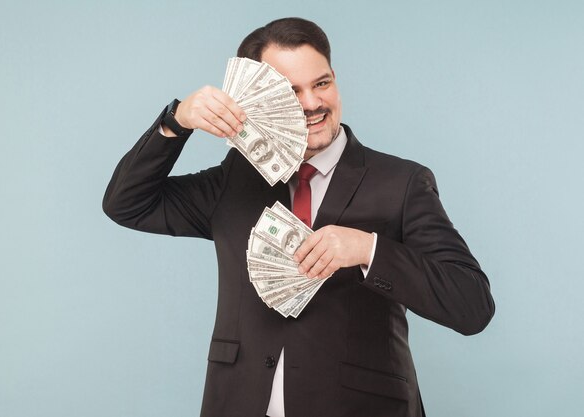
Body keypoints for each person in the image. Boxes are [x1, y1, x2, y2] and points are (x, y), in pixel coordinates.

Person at [103, 17, 495, 417]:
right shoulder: (236, 179)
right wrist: (175, 124)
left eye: (321, 83)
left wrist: (367, 249)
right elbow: (127, 203)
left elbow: (472, 305)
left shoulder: (402, 182)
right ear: (258, 100)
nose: (312, 104)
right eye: (291, 92)